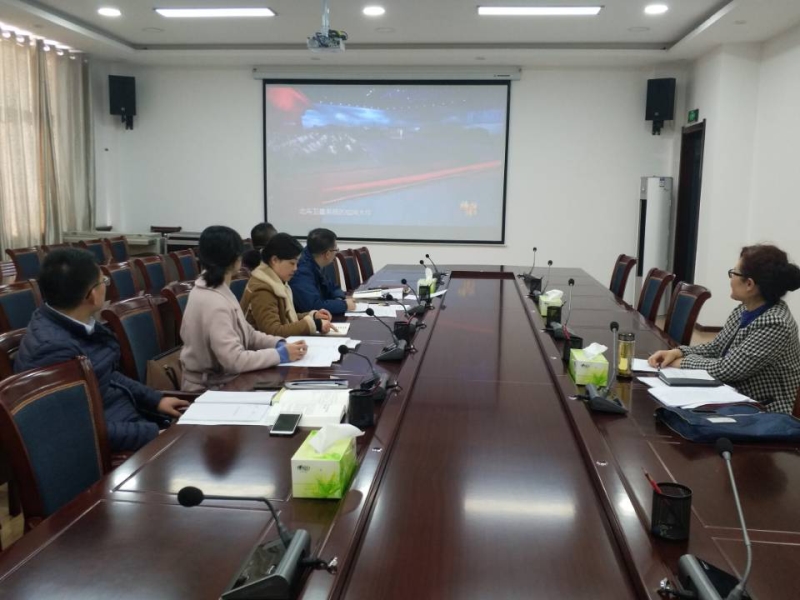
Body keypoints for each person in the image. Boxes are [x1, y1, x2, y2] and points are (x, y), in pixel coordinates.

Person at [15, 248, 190, 452]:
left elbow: (108, 374)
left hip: (127, 422)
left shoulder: (73, 323)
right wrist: (152, 435)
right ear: (91, 295)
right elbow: (79, 430)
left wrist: (156, 400)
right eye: (104, 282)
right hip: (105, 452)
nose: (106, 286)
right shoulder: (53, 350)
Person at [648, 244, 800, 413]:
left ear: (749, 284)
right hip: (732, 396)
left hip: (762, 411)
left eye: (734, 273)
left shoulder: (775, 323)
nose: (730, 278)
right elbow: (716, 348)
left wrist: (680, 363)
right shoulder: (744, 309)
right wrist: (678, 352)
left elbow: (727, 369)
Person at [180, 225, 307, 391]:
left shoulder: (217, 289)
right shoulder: (213, 301)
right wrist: (280, 355)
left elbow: (249, 334)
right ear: (235, 259)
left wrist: (279, 343)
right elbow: (234, 360)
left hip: (225, 381)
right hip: (209, 390)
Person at [241, 233, 334, 337]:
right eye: (292, 263)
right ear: (275, 260)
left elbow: (286, 318)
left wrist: (313, 316)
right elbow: (273, 331)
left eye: (296, 264)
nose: (295, 269)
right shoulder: (262, 289)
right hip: (260, 346)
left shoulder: (277, 281)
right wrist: (314, 324)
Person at [289, 228, 356, 315]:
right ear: (327, 254)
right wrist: (344, 305)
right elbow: (314, 306)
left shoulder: (315, 261)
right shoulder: (301, 272)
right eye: (336, 250)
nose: (336, 253)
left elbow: (332, 287)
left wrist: (339, 299)